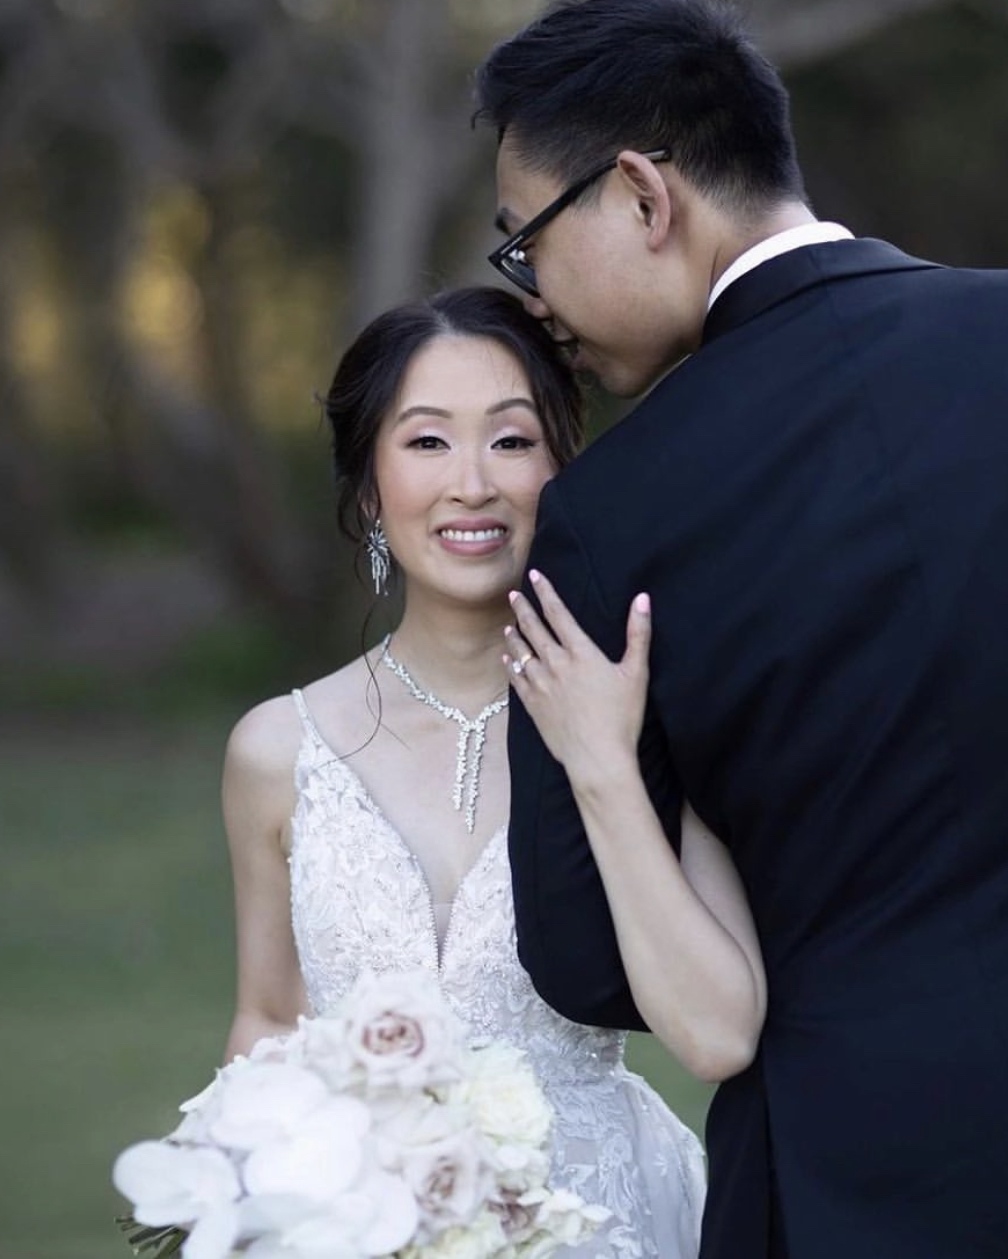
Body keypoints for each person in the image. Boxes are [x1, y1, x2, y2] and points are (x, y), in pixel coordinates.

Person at [475, 2, 1008, 1257]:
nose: (535, 299)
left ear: (644, 195)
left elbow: (589, 961)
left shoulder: (610, 515)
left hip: (845, 1174)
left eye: (527, 246)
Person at [219, 285, 752, 1257]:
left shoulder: (653, 712)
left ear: (564, 467)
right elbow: (268, 1015)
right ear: (371, 485)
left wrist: (602, 760)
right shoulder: (274, 750)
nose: (472, 482)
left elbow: (719, 1033)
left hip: (601, 1228)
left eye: (510, 440)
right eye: (427, 442)